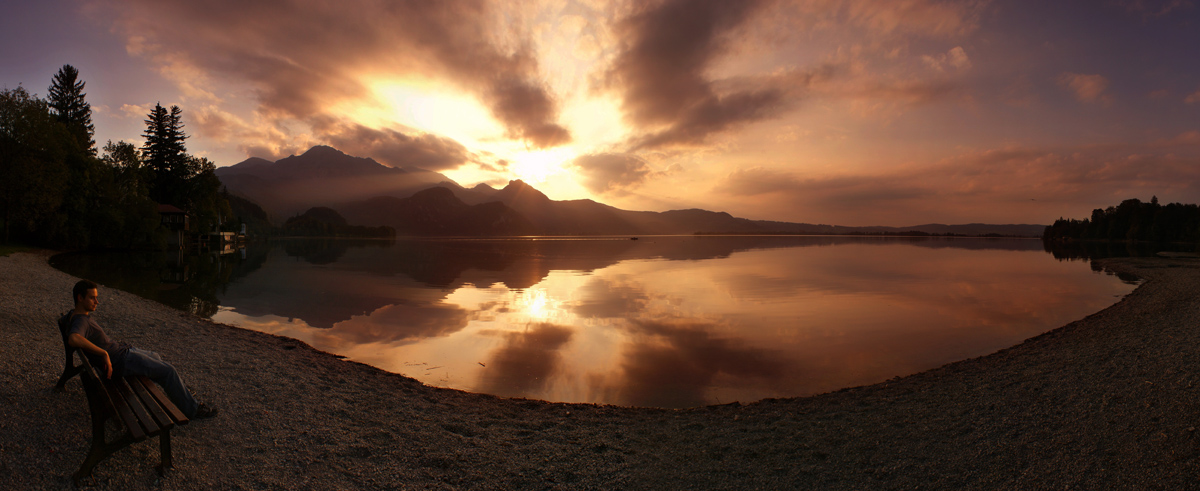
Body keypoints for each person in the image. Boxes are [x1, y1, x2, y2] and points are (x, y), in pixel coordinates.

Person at [62, 279, 217, 419]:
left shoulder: (74, 315)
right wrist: (103, 353)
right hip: (121, 361)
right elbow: (73, 338)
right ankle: (192, 409)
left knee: (155, 356)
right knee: (169, 371)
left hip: (122, 352)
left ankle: (181, 392)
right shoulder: (81, 321)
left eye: (96, 297)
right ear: (80, 298)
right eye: (92, 298)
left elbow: (70, 325)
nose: (97, 302)